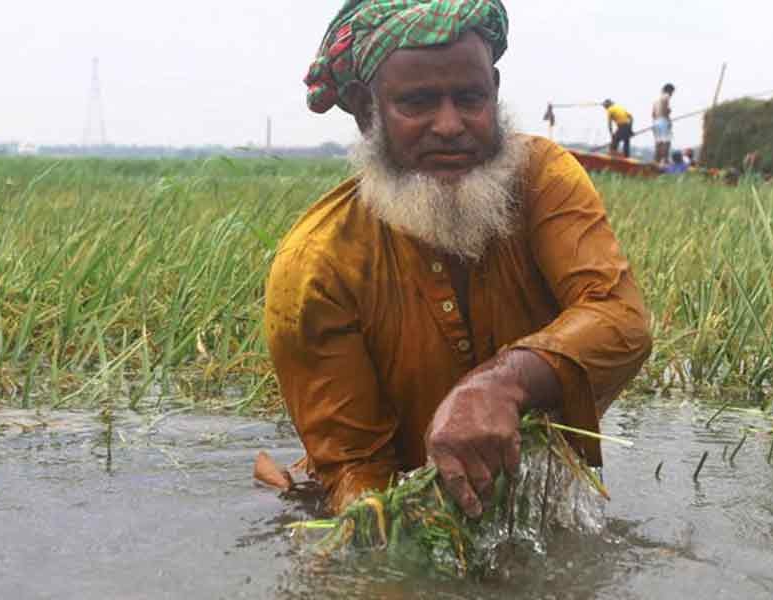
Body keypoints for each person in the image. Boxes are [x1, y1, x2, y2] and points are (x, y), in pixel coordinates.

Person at [265, 0, 652, 517]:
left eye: (469, 98)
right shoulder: (315, 267)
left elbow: (620, 319)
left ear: (493, 88)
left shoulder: (543, 178)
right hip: (411, 507)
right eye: (418, 103)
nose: (449, 125)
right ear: (365, 110)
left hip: (533, 503)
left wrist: (501, 383)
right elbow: (357, 473)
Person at [652, 83, 675, 166]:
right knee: (666, 142)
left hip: (655, 122)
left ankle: (656, 161)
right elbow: (665, 109)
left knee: (658, 143)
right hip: (663, 120)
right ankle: (664, 161)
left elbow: (653, 114)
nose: (672, 94)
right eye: (672, 92)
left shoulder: (656, 100)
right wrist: (668, 119)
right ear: (670, 90)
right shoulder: (666, 96)